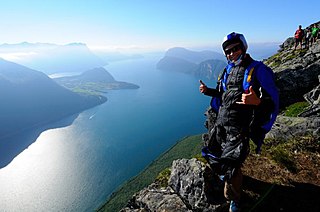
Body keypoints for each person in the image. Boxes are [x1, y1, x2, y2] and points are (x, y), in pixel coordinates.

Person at [199, 32, 279, 212]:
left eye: (235, 49)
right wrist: (209, 91)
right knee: (213, 154)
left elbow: (273, 101)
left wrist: (257, 102)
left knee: (231, 165)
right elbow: (224, 94)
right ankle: (229, 178)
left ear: (243, 47)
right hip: (222, 123)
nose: (231, 53)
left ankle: (234, 199)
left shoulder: (258, 70)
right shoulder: (227, 70)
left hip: (239, 128)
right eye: (227, 51)